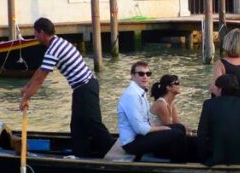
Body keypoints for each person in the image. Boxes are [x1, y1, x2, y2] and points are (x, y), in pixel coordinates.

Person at [20, 17, 113, 158]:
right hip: (82, 89)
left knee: (93, 124)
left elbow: (40, 80)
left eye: (36, 34)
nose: (35, 37)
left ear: (42, 33)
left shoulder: (53, 50)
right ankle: (81, 156)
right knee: (77, 127)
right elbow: (40, 70)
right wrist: (27, 87)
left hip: (85, 87)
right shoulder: (57, 42)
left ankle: (115, 153)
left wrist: (25, 99)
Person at [118, 62, 188, 161]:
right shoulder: (132, 96)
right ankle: (179, 165)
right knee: (176, 134)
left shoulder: (140, 92)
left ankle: (173, 158)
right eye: (141, 74)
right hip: (132, 143)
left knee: (179, 128)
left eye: (148, 74)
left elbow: (147, 122)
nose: (145, 76)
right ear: (133, 76)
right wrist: (163, 127)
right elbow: (141, 129)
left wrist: (163, 128)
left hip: (141, 136)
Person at [197, 74, 240, 165]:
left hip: (215, 158)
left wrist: (202, 158)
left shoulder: (209, 104)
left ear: (220, 89)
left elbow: (202, 133)